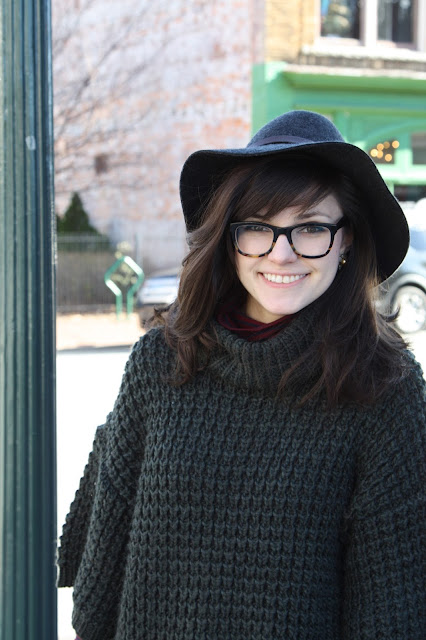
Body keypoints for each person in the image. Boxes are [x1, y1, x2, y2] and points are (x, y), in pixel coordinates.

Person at [58, 110, 425, 639]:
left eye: (312, 228)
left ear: (347, 240)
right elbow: (101, 575)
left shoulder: (385, 391)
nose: (282, 252)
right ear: (229, 241)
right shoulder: (162, 363)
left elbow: (395, 613)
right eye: (258, 228)